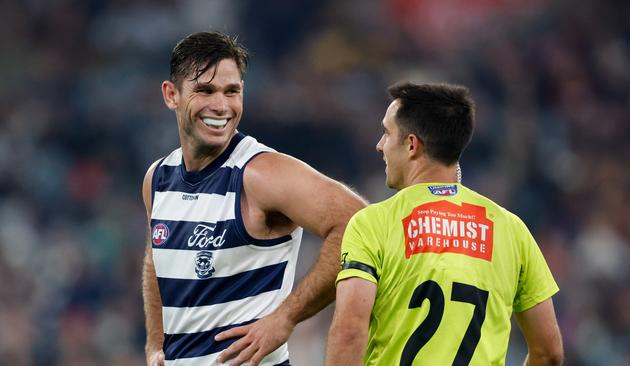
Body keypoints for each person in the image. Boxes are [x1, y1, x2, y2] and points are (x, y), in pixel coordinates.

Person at [141, 31, 366, 366]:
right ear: (171, 94)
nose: (221, 105)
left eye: (232, 91)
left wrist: (287, 317)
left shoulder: (261, 173)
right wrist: (155, 343)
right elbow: (156, 260)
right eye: (205, 90)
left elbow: (358, 223)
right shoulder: (158, 178)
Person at [325, 82, 563, 365]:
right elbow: (549, 353)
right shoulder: (511, 229)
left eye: (387, 133)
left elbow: (350, 333)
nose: (379, 145)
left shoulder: (372, 224)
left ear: (412, 145)